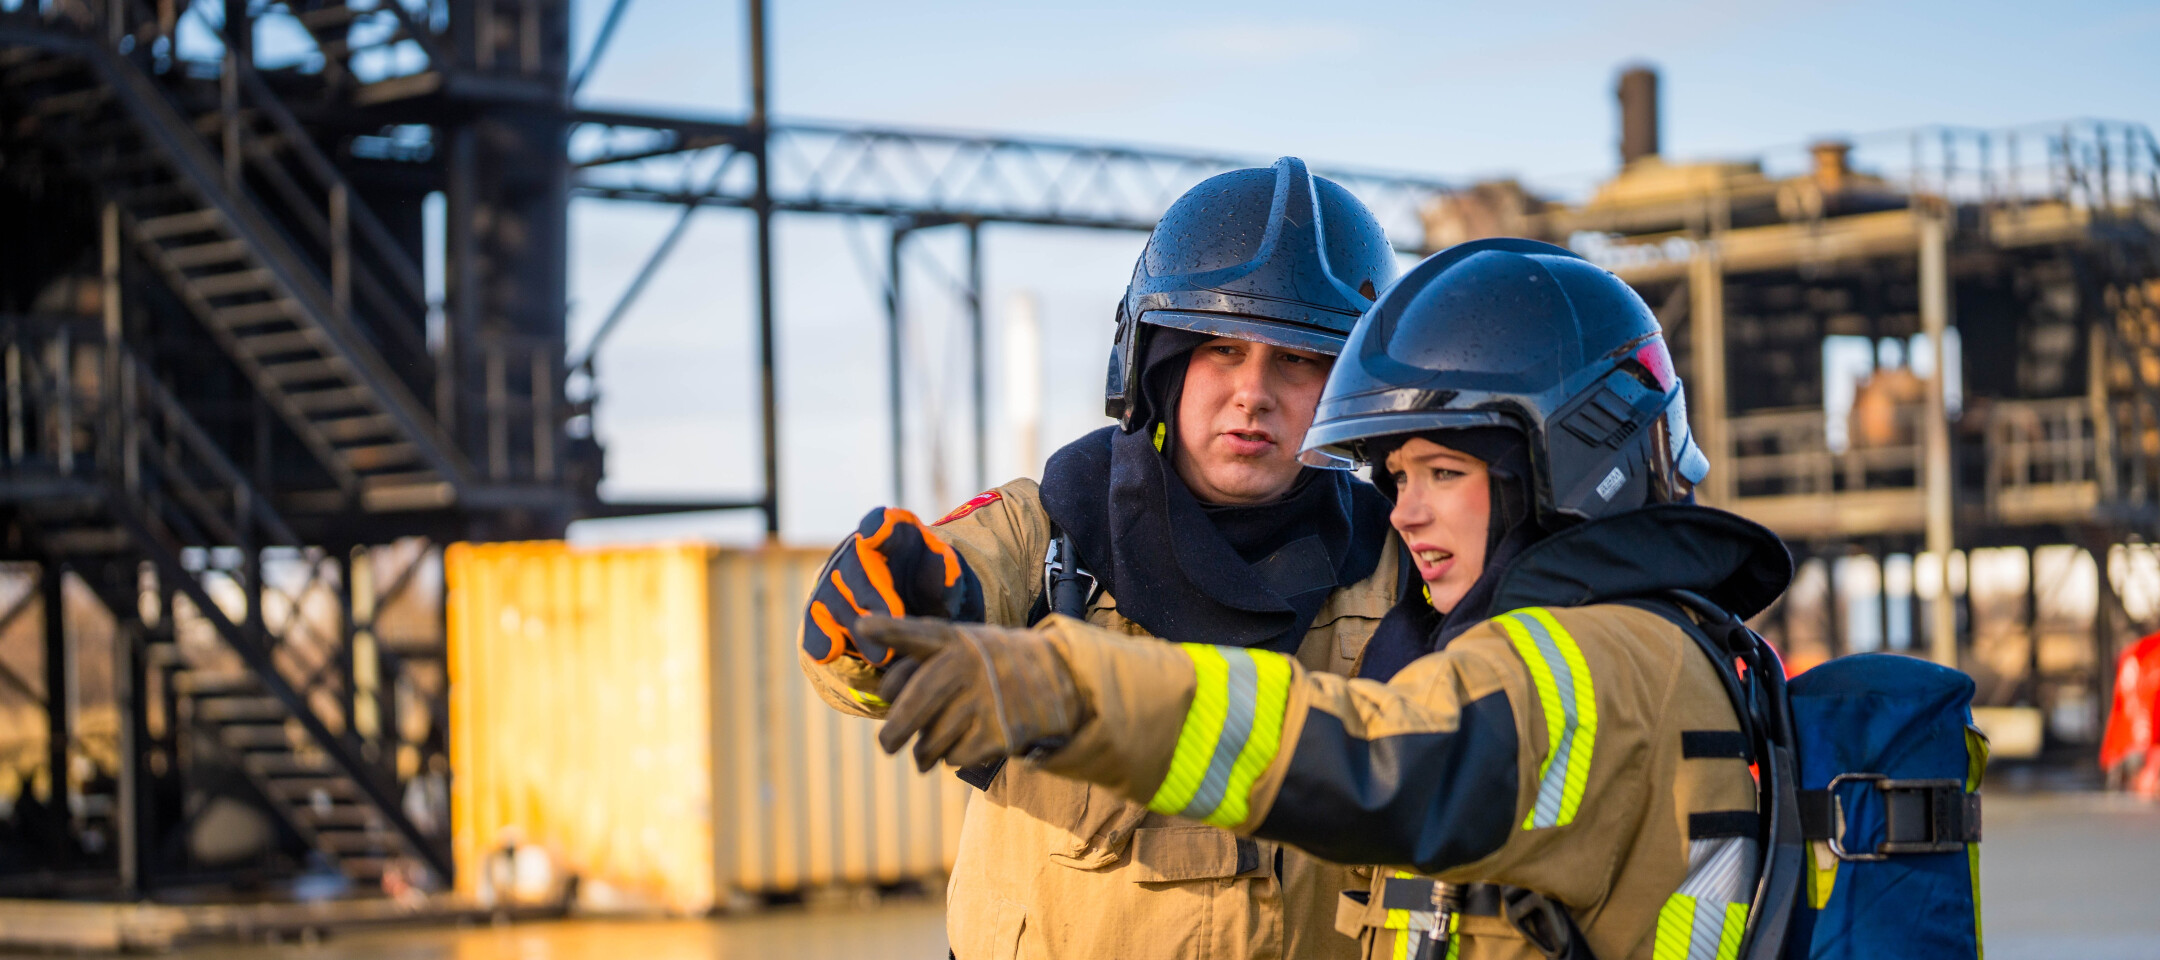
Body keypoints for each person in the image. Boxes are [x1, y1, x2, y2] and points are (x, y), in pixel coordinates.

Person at [862, 238, 1797, 960]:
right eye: (1399, 475)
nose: (1407, 511)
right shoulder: (1656, 642)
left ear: (1566, 467)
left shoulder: (1597, 660)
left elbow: (1375, 761)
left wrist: (1074, 691)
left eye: (1444, 471)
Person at [798, 157, 1406, 960]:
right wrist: (882, 618)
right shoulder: (1047, 532)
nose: (1253, 392)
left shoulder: (1399, 564)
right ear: (1160, 363)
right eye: (1223, 349)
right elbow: (875, 657)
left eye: (1296, 359)